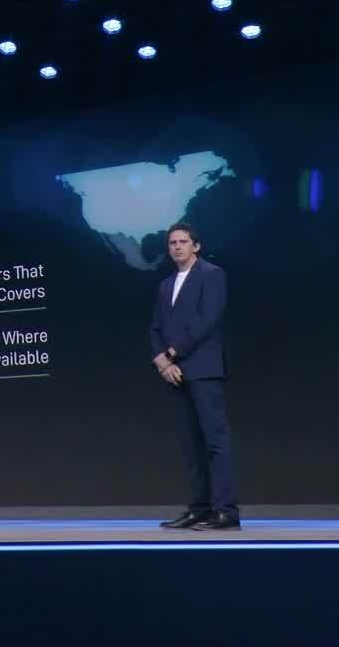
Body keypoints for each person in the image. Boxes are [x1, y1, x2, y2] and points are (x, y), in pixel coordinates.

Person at [150, 223, 239, 530]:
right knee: (191, 444)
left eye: (183, 241)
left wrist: (173, 352)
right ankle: (199, 508)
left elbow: (207, 320)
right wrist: (163, 362)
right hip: (174, 373)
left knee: (215, 441)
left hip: (203, 369)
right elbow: (156, 327)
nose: (177, 246)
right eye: (172, 242)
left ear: (196, 246)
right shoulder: (165, 285)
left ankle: (226, 511)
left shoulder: (212, 275)